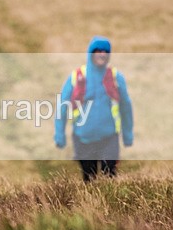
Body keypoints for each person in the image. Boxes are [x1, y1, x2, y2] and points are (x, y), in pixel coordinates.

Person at [54, 36, 133, 182]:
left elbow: (126, 107)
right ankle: (91, 205)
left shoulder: (115, 77)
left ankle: (108, 205)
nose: (102, 54)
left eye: (105, 51)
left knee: (109, 176)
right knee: (89, 179)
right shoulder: (77, 77)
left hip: (109, 138)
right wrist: (59, 134)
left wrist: (128, 134)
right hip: (82, 138)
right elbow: (62, 107)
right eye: (98, 51)